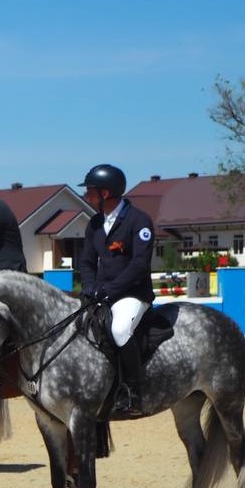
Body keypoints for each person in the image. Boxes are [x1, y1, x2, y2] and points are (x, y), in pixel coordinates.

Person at [78, 163, 155, 417]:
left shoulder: (138, 221)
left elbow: (139, 266)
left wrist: (109, 289)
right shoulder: (95, 224)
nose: (86, 196)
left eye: (90, 191)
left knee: (120, 329)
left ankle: (133, 393)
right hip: (103, 293)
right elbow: (87, 262)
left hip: (133, 294)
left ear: (106, 193)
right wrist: (89, 287)